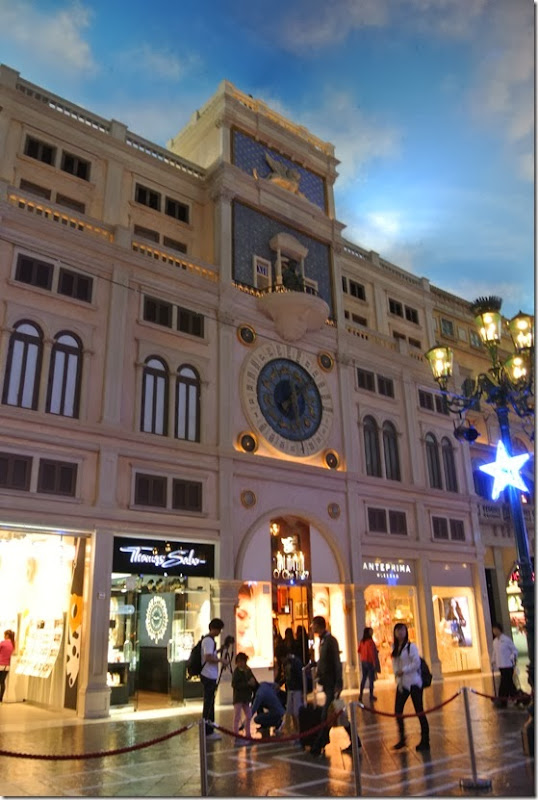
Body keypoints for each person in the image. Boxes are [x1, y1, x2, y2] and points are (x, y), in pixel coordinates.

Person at [310, 615, 361, 757]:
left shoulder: (330, 641)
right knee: (335, 713)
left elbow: (336, 663)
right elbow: (324, 660)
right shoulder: (322, 641)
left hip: (332, 683)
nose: (312, 628)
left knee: (327, 714)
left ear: (319, 626)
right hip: (327, 683)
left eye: (313, 625)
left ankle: (319, 744)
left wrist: (339, 682)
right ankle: (354, 740)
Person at [391, 623, 430, 751]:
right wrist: (397, 674)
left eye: (402, 630)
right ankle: (402, 738)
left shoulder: (411, 647)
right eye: (398, 630)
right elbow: (395, 663)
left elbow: (416, 663)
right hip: (402, 684)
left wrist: (404, 670)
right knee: (398, 711)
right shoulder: (394, 648)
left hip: (414, 683)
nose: (400, 632)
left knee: (419, 711)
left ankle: (425, 740)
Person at [200, 618, 225, 740]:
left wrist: (220, 650)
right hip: (209, 675)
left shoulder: (208, 640)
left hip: (210, 675)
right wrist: (221, 660)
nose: (220, 632)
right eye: (219, 630)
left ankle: (209, 728)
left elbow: (211, 654)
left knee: (210, 702)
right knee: (209, 703)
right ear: (215, 629)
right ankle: (208, 731)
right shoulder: (208, 641)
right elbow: (208, 657)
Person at [231, 652, 257, 742]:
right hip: (238, 698)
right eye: (239, 662)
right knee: (237, 716)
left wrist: (252, 683)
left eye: (242, 661)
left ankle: (248, 733)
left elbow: (253, 681)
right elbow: (234, 684)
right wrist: (247, 684)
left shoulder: (247, 671)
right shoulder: (237, 672)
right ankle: (236, 735)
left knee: (249, 715)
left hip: (245, 698)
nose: (241, 663)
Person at [491, 622, 519, 706]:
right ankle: (516, 697)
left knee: (504, 682)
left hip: (508, 665)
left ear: (499, 630)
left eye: (495, 629)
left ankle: (502, 699)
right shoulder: (495, 642)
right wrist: (493, 660)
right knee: (509, 683)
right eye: (493, 630)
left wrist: (512, 656)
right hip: (501, 665)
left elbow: (515, 650)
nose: (494, 631)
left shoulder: (506, 640)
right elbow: (495, 652)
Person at [358, 627, 378, 703]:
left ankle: (360, 694)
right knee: (371, 679)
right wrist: (374, 662)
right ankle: (371, 695)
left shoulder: (362, 641)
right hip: (369, 661)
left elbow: (358, 650)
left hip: (363, 661)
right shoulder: (370, 642)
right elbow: (372, 653)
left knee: (364, 678)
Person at [0, 630, 15, 703]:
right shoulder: (12, 644)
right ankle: (1, 698)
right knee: (2, 681)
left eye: (4, 635)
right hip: (7, 666)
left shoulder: (3, 643)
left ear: (7, 635)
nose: (4, 636)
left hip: (0, 664)